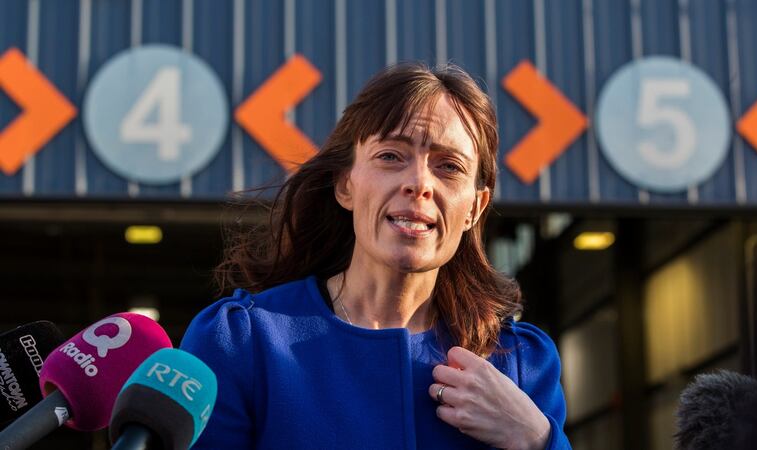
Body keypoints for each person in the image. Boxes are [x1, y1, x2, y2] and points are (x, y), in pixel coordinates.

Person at [181, 63, 571, 449]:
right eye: (390, 156)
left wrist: (536, 439)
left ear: (474, 209)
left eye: (449, 166)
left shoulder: (519, 363)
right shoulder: (243, 344)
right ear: (344, 184)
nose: (419, 183)